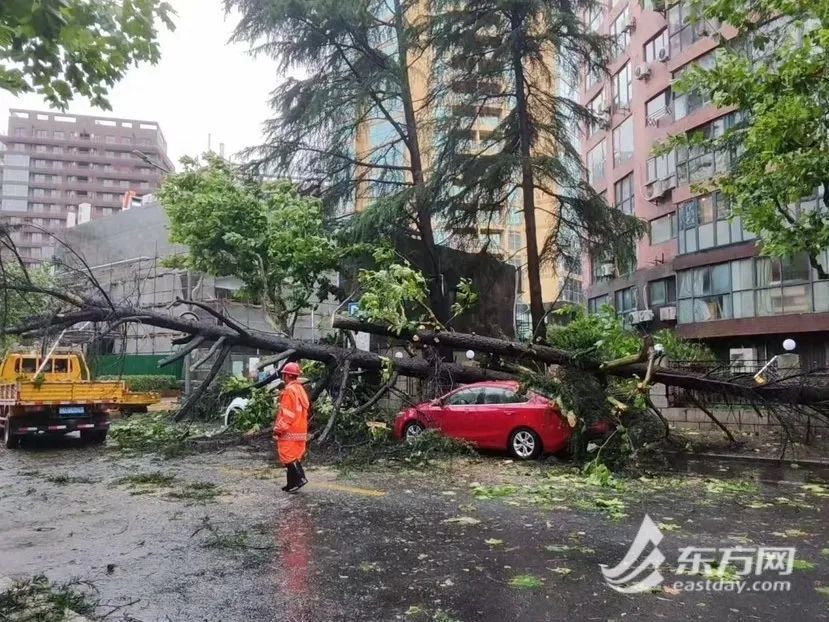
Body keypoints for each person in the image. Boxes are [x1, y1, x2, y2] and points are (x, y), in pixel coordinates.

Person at [273, 362, 309, 492]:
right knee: (294, 455)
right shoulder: (300, 389)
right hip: (301, 429)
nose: (283, 377)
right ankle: (291, 484)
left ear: (287, 376)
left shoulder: (289, 391)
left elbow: (287, 414)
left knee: (287, 456)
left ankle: (300, 479)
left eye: (284, 375)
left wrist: (278, 429)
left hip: (290, 429)